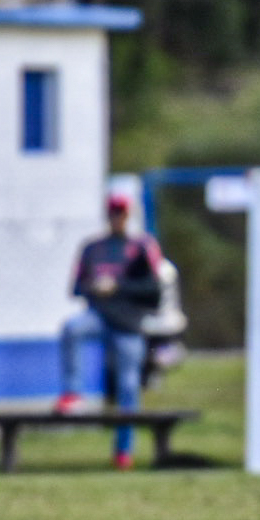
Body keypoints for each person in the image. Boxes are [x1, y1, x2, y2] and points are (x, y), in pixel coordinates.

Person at [55, 194, 164, 470]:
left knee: (128, 386)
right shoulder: (93, 248)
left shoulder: (141, 247)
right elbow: (77, 287)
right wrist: (96, 287)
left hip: (128, 325)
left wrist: (117, 286)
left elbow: (153, 289)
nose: (117, 218)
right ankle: (73, 392)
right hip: (100, 318)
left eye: (122, 213)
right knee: (72, 329)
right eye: (113, 213)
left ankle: (123, 450)